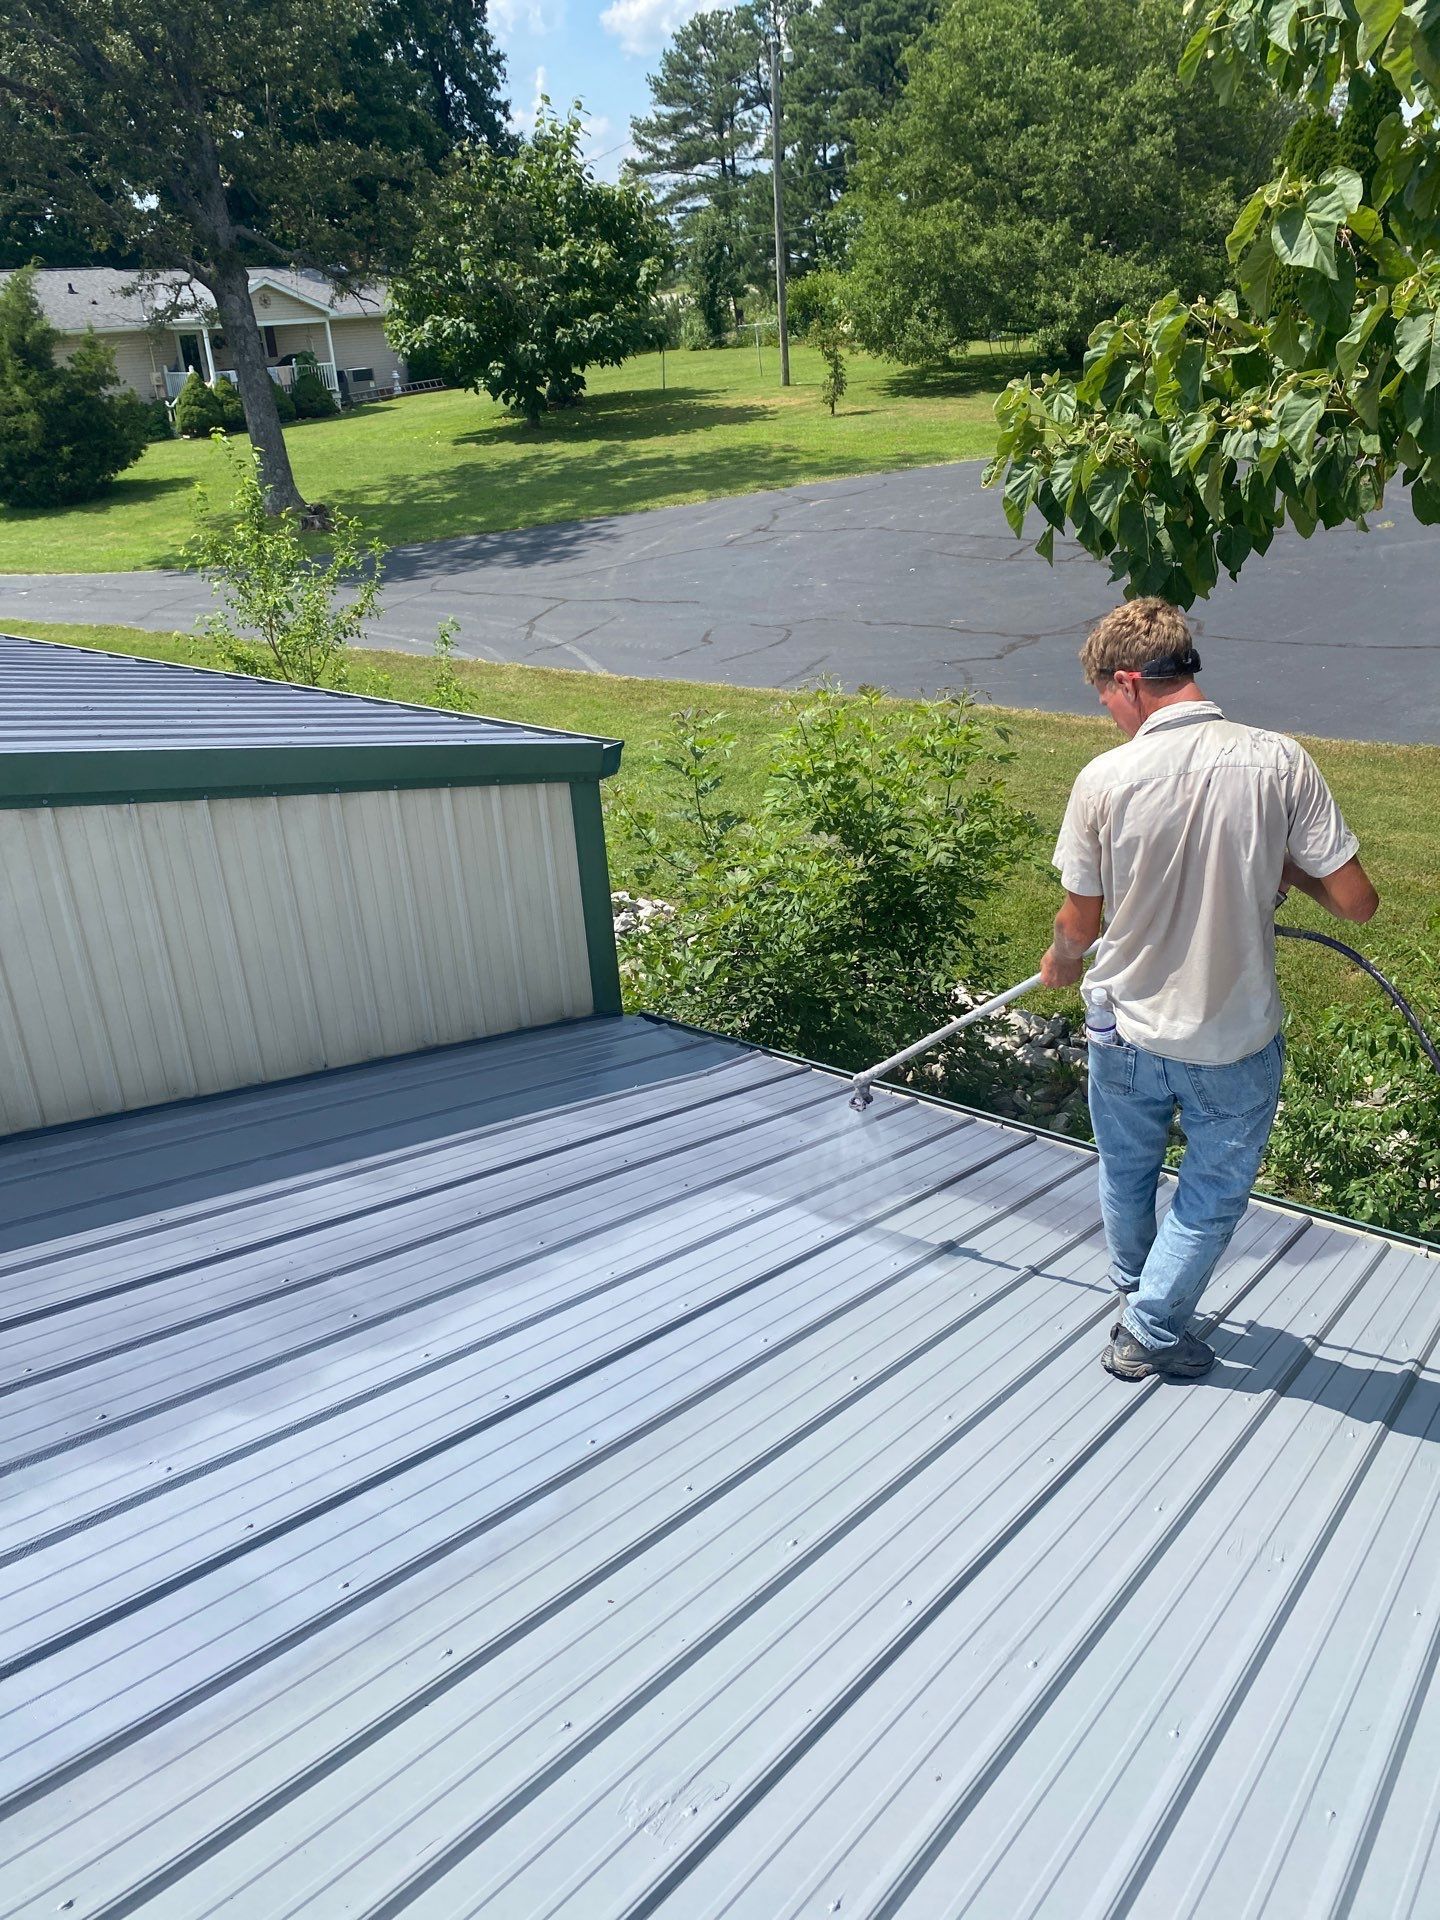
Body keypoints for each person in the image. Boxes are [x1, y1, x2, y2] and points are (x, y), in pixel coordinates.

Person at [1040, 599, 1379, 1382]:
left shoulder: (1105, 780)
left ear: (1129, 682)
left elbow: (1078, 922)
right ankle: (1150, 1312)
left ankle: (1144, 1313)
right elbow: (1357, 901)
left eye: (1106, 701)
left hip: (1123, 1031)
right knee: (1212, 1192)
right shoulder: (1281, 761)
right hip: (1231, 1037)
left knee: (1125, 1172)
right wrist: (1283, 866)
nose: (1109, 718)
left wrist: (1060, 960)